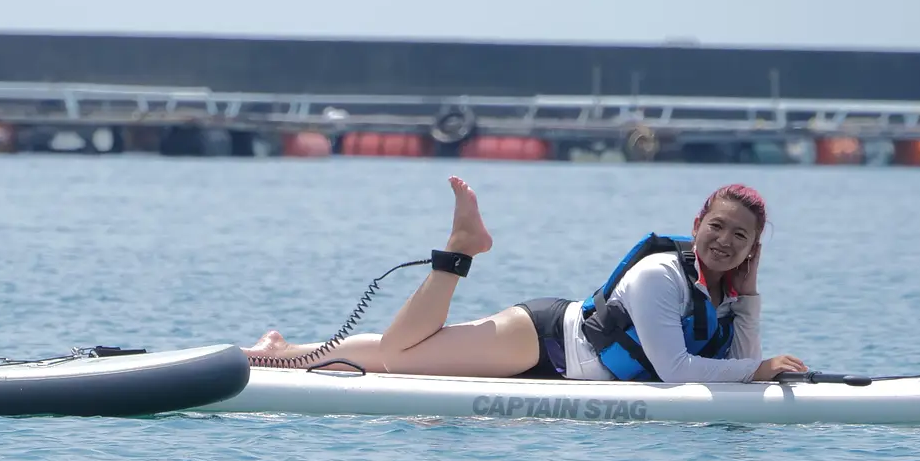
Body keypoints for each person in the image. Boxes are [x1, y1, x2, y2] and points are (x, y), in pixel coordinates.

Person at [244, 176, 808, 383]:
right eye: (717, 227)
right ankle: (460, 252)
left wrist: (750, 297)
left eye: (741, 237)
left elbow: (738, 357)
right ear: (696, 226)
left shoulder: (725, 290)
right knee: (396, 354)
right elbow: (676, 371)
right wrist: (759, 370)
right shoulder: (662, 275)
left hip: (557, 360)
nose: (725, 242)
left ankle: (281, 352)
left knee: (405, 352)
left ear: (753, 248)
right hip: (541, 340)